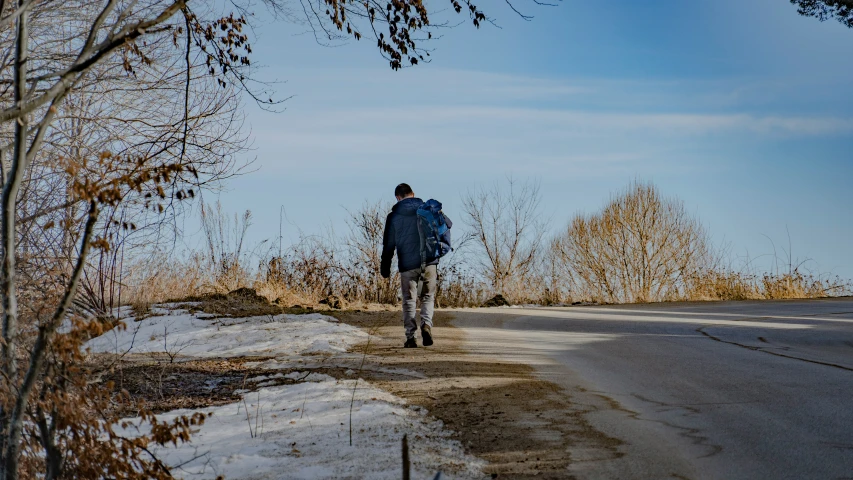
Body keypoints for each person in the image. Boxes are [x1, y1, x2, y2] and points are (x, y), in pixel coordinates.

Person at [380, 183, 444, 348]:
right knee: (428, 297)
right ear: (413, 194)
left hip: (407, 265)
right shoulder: (426, 210)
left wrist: (385, 267)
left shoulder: (393, 217)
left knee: (409, 300)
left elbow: (388, 245)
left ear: (397, 197)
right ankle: (426, 325)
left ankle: (411, 337)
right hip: (429, 262)